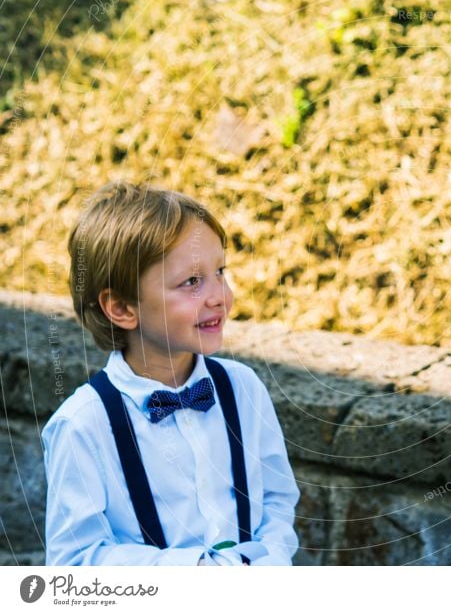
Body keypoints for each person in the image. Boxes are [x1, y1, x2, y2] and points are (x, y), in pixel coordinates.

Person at [42, 182, 299, 565]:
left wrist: (266, 561)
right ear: (122, 308)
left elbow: (278, 499)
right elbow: (75, 562)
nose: (220, 296)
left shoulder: (243, 387)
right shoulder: (82, 425)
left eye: (220, 271)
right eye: (192, 282)